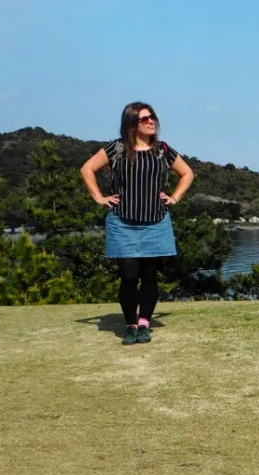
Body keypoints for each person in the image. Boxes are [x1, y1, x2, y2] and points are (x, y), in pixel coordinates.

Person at [80, 102, 194, 346]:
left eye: (152, 117)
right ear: (132, 123)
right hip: (123, 222)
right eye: (144, 119)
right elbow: (87, 168)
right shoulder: (117, 149)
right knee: (129, 274)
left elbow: (187, 173)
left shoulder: (162, 150)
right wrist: (99, 197)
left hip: (156, 221)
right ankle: (130, 324)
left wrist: (174, 197)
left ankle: (144, 323)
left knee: (150, 274)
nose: (151, 121)